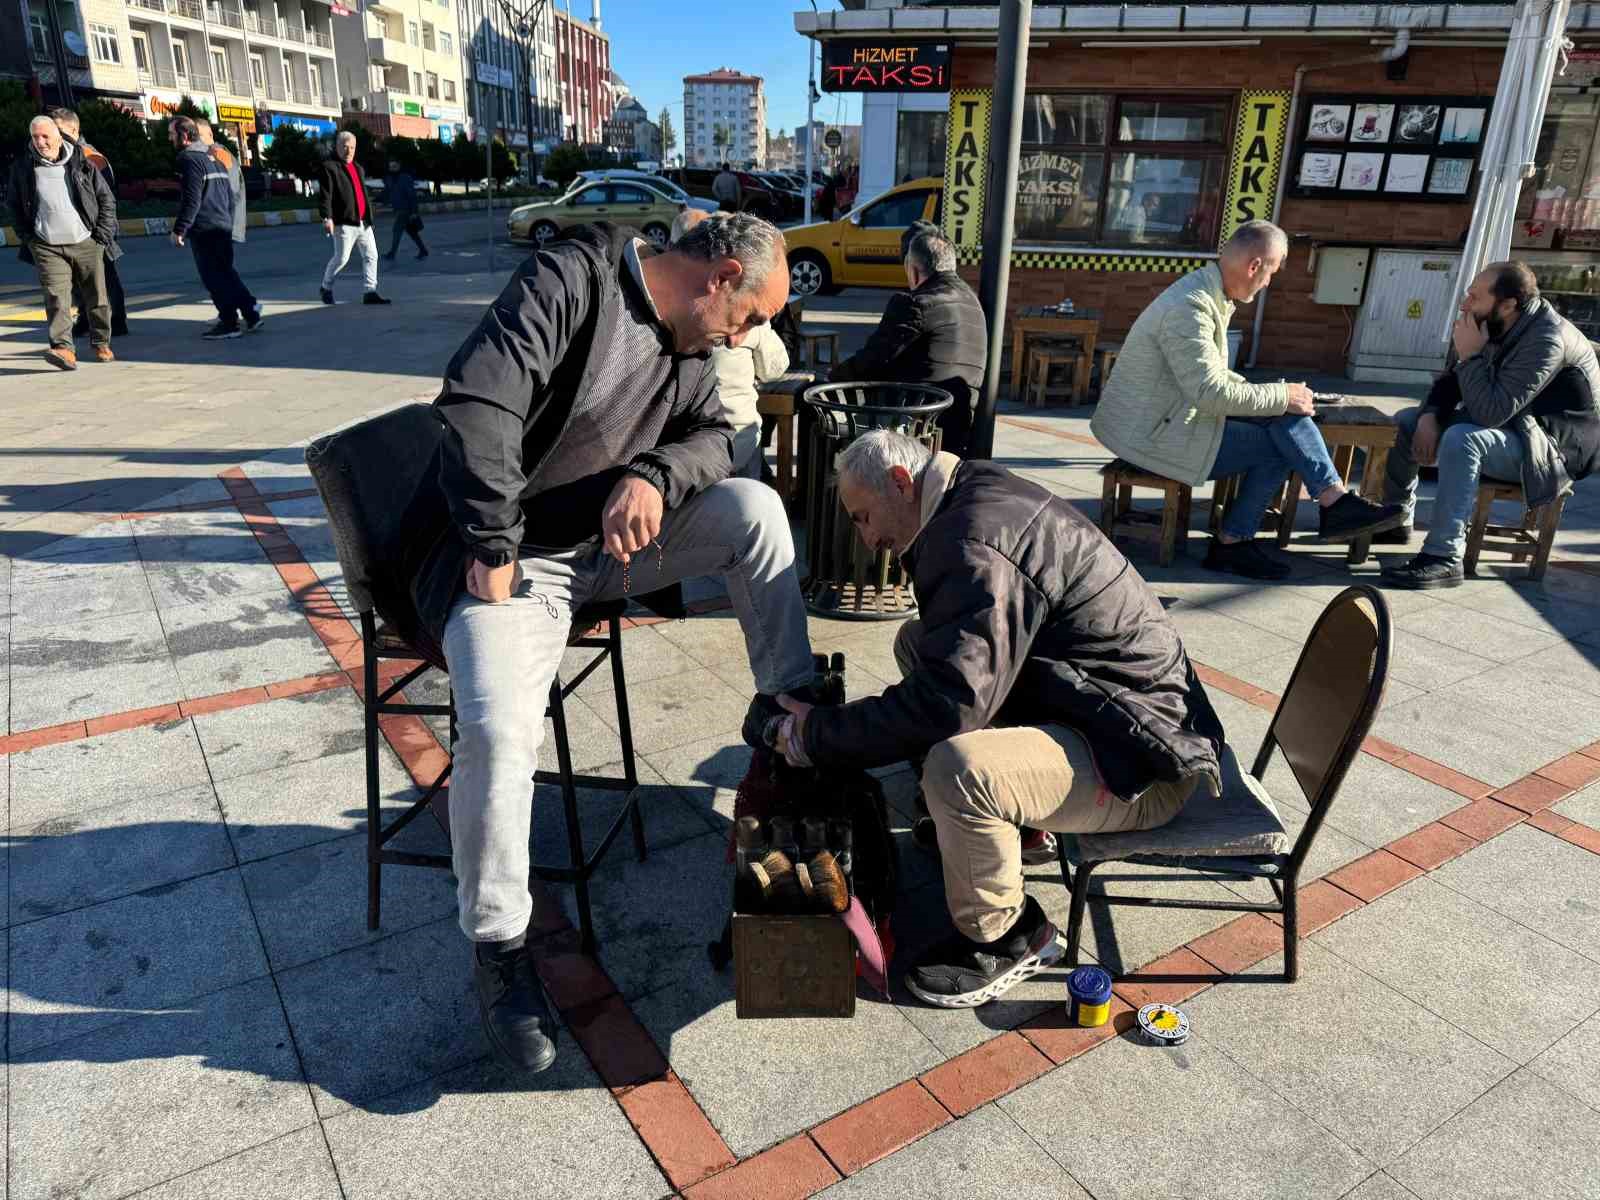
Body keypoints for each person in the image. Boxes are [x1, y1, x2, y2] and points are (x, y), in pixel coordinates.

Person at [407, 212, 813, 1072]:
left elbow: (719, 438)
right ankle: (501, 946)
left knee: (757, 510)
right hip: (519, 559)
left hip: (618, 549)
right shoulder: (572, 281)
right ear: (721, 275)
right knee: (499, 733)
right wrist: (491, 546)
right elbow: (476, 404)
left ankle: (790, 709)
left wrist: (652, 474)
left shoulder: (694, 349)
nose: (751, 335)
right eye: (752, 316)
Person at [760, 429, 1265, 1009]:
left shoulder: (970, 540)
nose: (868, 537)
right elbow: (959, 668)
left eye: (864, 516)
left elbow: (948, 703)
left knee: (958, 770)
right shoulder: (968, 495)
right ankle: (1010, 832)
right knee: (918, 641)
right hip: (1110, 712)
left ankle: (1007, 934)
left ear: (901, 483)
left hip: (1144, 762)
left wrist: (814, 735)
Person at [1092, 220, 1405, 580]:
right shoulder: (1190, 308)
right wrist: (1280, 395)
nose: (1269, 282)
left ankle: (1329, 502)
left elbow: (1212, 380)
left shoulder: (1208, 292)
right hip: (1149, 435)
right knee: (1280, 444)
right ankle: (1239, 539)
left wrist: (1280, 396)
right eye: (1271, 272)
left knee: (1282, 418)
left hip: (1164, 419)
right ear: (1255, 266)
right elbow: (1209, 392)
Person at [1379, 261, 1600, 588]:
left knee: (1462, 438)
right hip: (1516, 426)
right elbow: (1451, 382)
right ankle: (1396, 518)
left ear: (1508, 304)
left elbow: (1490, 413)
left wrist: (1470, 357)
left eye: (1475, 297)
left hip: (1551, 448)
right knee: (1408, 420)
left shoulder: (1547, 339)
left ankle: (1444, 557)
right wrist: (1429, 415)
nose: (1465, 304)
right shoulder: (1491, 323)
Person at [829, 223, 985, 456]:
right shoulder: (973, 302)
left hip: (913, 428)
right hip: (957, 427)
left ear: (912, 270)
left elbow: (872, 361)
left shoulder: (915, 303)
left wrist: (830, 379)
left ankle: (817, 487)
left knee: (815, 401)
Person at [671, 207, 789, 477]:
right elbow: (775, 367)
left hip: (690, 449)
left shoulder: (692, 312)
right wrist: (757, 332)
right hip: (735, 436)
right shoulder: (742, 318)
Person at [6, 115, 118, 369]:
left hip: (86, 241)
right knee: (56, 298)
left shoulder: (81, 162)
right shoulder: (23, 167)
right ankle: (63, 349)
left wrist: (101, 235)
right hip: (46, 245)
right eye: (35, 137)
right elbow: (13, 205)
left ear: (58, 136)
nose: (40, 142)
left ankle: (101, 342)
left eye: (45, 136)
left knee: (97, 297)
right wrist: (30, 238)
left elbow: (106, 200)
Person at [169, 116, 261, 340]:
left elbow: (192, 199)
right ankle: (250, 312)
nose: (169, 138)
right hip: (222, 224)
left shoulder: (189, 159)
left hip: (206, 228)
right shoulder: (213, 159)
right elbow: (229, 195)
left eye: (171, 134)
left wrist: (180, 228)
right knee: (226, 273)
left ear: (183, 136)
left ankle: (229, 323)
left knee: (213, 277)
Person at [50, 108, 129, 340]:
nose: (55, 134)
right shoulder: (63, 154)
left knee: (106, 277)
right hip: (73, 230)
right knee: (78, 280)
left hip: (96, 230)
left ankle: (117, 320)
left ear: (73, 129)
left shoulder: (90, 156)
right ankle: (85, 319)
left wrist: (101, 232)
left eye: (59, 129)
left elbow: (105, 198)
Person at [318, 131, 388, 305]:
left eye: (352, 147)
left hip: (363, 222)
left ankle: (370, 291)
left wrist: (370, 215)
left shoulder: (358, 168)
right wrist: (327, 218)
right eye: (345, 147)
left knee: (372, 255)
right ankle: (326, 287)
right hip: (344, 222)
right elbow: (325, 195)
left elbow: (361, 193)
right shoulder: (330, 167)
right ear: (337, 147)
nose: (349, 151)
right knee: (341, 258)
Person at [195, 118, 247, 247]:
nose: (197, 140)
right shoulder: (206, 155)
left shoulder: (219, 154)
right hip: (214, 226)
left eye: (200, 135)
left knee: (217, 266)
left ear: (210, 134)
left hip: (218, 228)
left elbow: (231, 190)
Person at [382, 158, 428, 261]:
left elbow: (412, 195)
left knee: (396, 231)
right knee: (412, 232)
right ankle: (423, 250)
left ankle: (392, 254)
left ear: (399, 166)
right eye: (391, 167)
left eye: (394, 166)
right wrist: (379, 201)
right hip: (398, 209)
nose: (392, 168)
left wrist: (414, 211)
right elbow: (388, 192)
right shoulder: (390, 179)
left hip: (405, 209)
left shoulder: (405, 178)